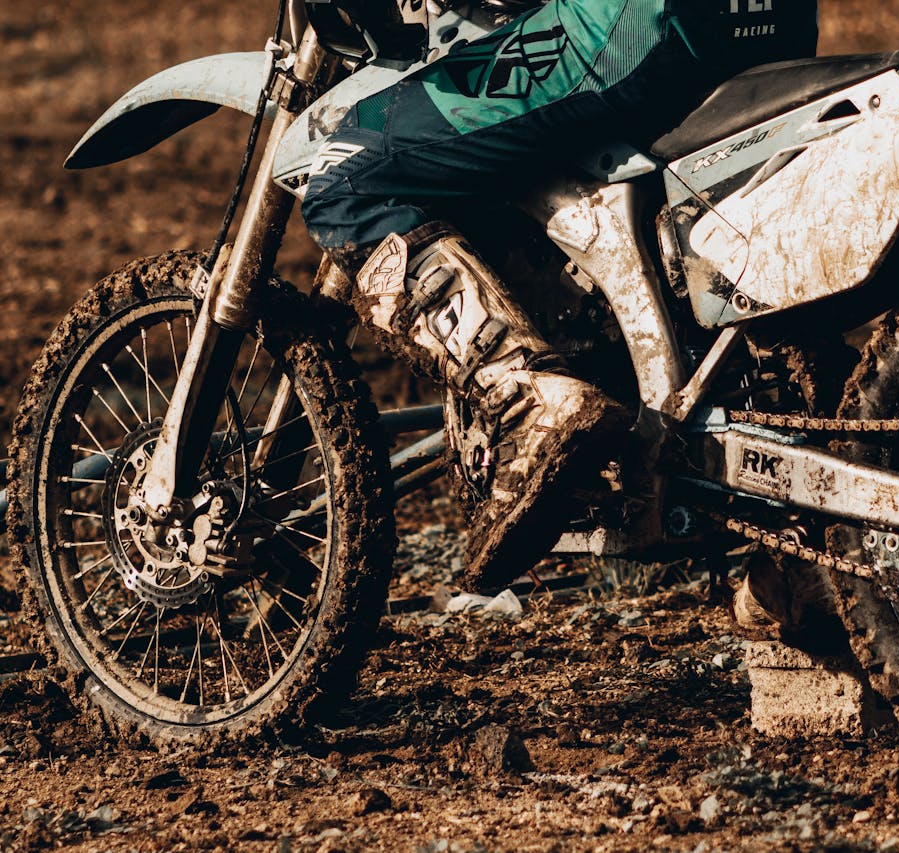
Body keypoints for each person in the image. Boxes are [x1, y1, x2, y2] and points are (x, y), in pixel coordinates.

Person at [301, 0, 820, 590]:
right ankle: (802, 561)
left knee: (348, 178)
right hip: (769, 22)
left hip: (633, 26)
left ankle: (528, 404)